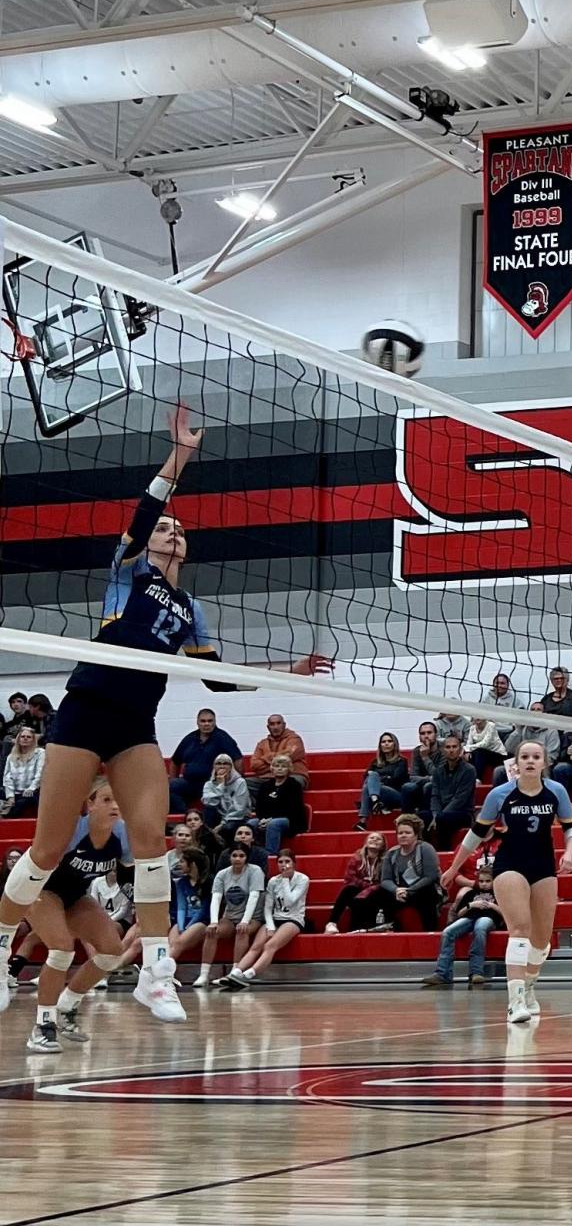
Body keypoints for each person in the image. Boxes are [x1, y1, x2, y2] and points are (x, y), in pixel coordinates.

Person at [0, 406, 331, 1021]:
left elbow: (219, 678)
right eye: (164, 530)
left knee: (153, 840)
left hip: (134, 724)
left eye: (179, 531)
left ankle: (156, 970)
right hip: (86, 708)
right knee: (46, 848)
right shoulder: (127, 574)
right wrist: (181, 455)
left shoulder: (189, 609)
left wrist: (290, 672)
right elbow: (146, 511)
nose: (171, 533)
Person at [441, 741, 572, 1023]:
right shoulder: (500, 794)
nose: (530, 761)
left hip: (543, 866)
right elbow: (475, 834)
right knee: (520, 928)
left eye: (536, 757)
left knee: (541, 938)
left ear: (544, 763)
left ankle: (528, 986)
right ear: (516, 763)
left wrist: (569, 851)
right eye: (525, 757)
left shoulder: (556, 791)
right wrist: (454, 868)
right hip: (509, 864)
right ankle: (515, 1002)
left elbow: (570, 827)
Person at [22, 783, 131, 1053]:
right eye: (106, 800)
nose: (115, 806)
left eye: (118, 801)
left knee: (111, 950)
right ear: (89, 804)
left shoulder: (122, 834)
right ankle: (42, 1026)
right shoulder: (71, 830)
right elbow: (35, 867)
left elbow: (130, 875)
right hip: (39, 889)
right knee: (61, 949)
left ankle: (68, 1005)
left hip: (74, 895)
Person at [217, 850, 309, 987]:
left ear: (294, 863)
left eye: (287, 862)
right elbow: (268, 907)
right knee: (256, 946)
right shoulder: (273, 881)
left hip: (293, 919)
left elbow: (290, 901)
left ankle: (249, 975)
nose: (284, 865)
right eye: (280, 862)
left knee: (270, 945)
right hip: (275, 918)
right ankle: (235, 973)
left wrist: (285, 879)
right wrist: (270, 927)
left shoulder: (303, 879)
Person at [195, 843, 265, 987]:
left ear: (247, 858)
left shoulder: (255, 871)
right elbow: (216, 898)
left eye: (241, 856)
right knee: (211, 932)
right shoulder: (222, 874)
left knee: (242, 931)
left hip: (252, 917)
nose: (237, 859)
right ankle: (203, 975)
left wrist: (245, 921)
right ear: (229, 857)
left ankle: (234, 973)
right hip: (230, 916)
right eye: (234, 855)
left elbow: (254, 896)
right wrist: (214, 921)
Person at [423, 865, 504, 989]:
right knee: (447, 932)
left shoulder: (499, 894)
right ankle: (442, 973)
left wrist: (491, 906)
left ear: (494, 880)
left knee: (480, 927)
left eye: (488, 881)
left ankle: (476, 972)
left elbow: (506, 914)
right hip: (469, 917)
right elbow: (459, 913)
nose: (484, 884)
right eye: (481, 881)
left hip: (489, 918)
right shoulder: (471, 893)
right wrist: (471, 905)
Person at [167, 709, 243, 813]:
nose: (206, 724)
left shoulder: (223, 738)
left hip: (214, 783)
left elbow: (238, 759)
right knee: (172, 787)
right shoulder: (189, 739)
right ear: (197, 722)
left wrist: (234, 782)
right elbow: (175, 761)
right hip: (190, 783)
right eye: (203, 721)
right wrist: (173, 779)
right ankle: (186, 815)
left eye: (210, 721)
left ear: (215, 722)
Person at [376, 814, 441, 931]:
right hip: (400, 892)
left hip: (421, 890)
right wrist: (396, 890)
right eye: (400, 833)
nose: (403, 836)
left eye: (407, 832)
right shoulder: (391, 853)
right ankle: (391, 929)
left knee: (427, 892)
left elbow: (431, 876)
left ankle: (430, 931)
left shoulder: (426, 848)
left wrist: (409, 890)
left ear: (416, 834)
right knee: (380, 893)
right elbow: (385, 880)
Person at [325, 832, 388, 934]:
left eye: (378, 839)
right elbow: (350, 877)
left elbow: (385, 880)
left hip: (376, 890)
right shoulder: (357, 857)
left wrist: (370, 889)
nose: (374, 840)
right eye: (372, 838)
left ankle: (357, 929)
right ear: (366, 842)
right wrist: (366, 886)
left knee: (370, 897)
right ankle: (332, 922)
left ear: (383, 845)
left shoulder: (387, 859)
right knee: (348, 890)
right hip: (359, 888)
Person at [422, 736, 477, 851]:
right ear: (442, 750)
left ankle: (443, 852)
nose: (451, 750)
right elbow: (435, 795)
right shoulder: (438, 771)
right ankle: (427, 851)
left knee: (443, 819)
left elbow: (460, 799)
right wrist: (435, 815)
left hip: (463, 813)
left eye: (454, 747)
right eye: (448, 747)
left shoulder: (469, 770)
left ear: (460, 749)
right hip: (441, 811)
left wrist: (437, 817)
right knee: (422, 816)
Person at [355, 733, 409, 831]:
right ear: (380, 745)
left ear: (394, 744)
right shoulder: (375, 762)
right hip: (379, 794)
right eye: (383, 742)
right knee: (371, 779)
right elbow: (365, 777)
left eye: (389, 741)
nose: (386, 744)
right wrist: (383, 778)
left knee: (372, 779)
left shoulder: (401, 761)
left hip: (396, 794)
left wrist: (378, 781)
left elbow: (396, 779)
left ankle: (363, 819)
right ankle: (376, 802)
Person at [492, 705, 561, 784]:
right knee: (499, 771)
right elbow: (508, 749)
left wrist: (535, 763)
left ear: (544, 714)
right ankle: (502, 795)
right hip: (522, 764)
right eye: (532, 709)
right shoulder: (522, 729)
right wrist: (518, 730)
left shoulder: (551, 731)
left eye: (538, 709)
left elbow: (552, 756)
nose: (535, 712)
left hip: (543, 765)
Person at [254, 754, 308, 854]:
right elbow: (259, 807)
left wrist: (269, 819)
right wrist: (262, 819)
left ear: (289, 769)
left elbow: (292, 809)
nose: (280, 769)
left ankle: (270, 854)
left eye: (283, 766)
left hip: (290, 820)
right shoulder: (265, 786)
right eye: (277, 766)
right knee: (251, 823)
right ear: (272, 768)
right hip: (267, 818)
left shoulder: (294, 785)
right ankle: (253, 854)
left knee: (274, 824)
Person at [247, 714, 310, 797]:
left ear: (284, 725)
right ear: (268, 727)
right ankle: (256, 808)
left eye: (278, 723)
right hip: (267, 778)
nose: (275, 727)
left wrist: (266, 758)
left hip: (293, 775)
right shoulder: (262, 744)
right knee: (243, 783)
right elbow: (254, 765)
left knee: (292, 784)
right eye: (272, 724)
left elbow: (288, 756)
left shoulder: (294, 739)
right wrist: (278, 760)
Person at [168, 847, 212, 962]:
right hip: (185, 919)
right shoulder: (182, 882)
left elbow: (204, 909)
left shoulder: (208, 882)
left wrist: (188, 927)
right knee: (172, 944)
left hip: (201, 922)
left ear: (192, 864)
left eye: (182, 861)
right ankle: (167, 974)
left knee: (178, 943)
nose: (179, 864)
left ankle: (158, 972)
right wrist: (182, 926)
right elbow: (181, 907)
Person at [201, 754, 254, 842]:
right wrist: (220, 786)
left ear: (231, 766)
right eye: (218, 763)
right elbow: (208, 802)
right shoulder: (209, 784)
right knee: (208, 811)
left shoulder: (240, 782)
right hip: (218, 816)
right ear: (214, 766)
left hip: (236, 818)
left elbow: (239, 809)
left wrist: (222, 824)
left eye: (225, 763)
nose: (222, 766)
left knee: (227, 828)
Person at [2, 727, 45, 817]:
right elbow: (7, 777)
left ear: (33, 740)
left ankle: (8, 823)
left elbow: (40, 774)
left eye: (28, 737)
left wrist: (31, 788)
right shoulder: (11, 756)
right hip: (15, 793)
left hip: (32, 792)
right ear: (18, 739)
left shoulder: (40, 753)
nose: (25, 738)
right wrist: (10, 796)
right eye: (22, 736)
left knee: (22, 802)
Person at [400, 722, 442, 809]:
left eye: (429, 733)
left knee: (429, 786)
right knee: (407, 787)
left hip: (442, 788)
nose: (426, 736)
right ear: (419, 737)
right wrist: (429, 778)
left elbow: (439, 777)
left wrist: (425, 757)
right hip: (422, 786)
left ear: (436, 734)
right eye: (422, 733)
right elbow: (413, 777)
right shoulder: (416, 751)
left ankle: (426, 816)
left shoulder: (444, 749)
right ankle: (408, 819)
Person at [484, 673, 521, 741]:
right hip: (490, 732)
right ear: (493, 685)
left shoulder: (515, 700)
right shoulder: (486, 699)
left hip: (508, 733)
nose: (499, 686)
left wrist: (513, 726)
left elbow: (522, 716)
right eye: (497, 683)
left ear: (507, 685)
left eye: (502, 683)